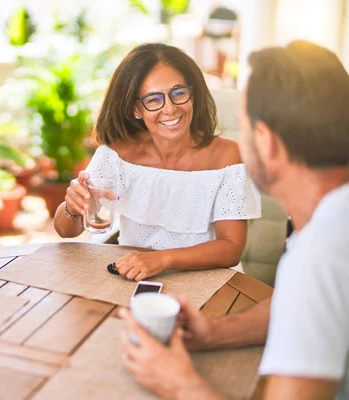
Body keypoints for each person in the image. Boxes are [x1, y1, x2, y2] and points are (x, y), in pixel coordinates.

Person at [120, 40, 349, 399]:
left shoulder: (319, 256)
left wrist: (180, 384)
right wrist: (214, 333)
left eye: (243, 127)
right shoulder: (332, 223)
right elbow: (293, 304)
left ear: (267, 142)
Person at [54, 43, 261, 281]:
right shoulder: (116, 155)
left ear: (192, 95)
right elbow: (66, 231)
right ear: (136, 109)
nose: (170, 109)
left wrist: (162, 259)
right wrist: (72, 207)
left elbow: (231, 248)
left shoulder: (226, 156)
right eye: (154, 99)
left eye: (179, 93)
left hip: (209, 280)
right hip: (134, 278)